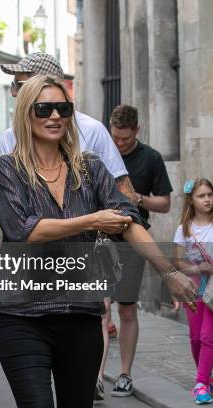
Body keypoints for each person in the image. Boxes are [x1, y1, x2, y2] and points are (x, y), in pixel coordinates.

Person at [0, 74, 196, 408]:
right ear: (26, 113)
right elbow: (25, 231)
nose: (55, 116)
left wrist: (169, 273)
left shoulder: (90, 168)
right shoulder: (7, 169)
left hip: (81, 314)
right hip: (23, 315)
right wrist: (93, 220)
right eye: (44, 108)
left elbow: (128, 222)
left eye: (63, 108)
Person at [0, 53, 138, 400]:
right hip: (24, 303)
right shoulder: (7, 141)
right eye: (16, 86)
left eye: (20, 83)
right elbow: (9, 220)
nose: (15, 91)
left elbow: (122, 197)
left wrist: (162, 269)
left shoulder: (91, 133)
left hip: (79, 299)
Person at [108, 104, 173, 397]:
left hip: (133, 240)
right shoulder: (101, 153)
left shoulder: (151, 158)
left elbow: (165, 204)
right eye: (116, 138)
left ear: (136, 130)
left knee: (127, 309)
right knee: (97, 307)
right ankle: (95, 376)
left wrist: (139, 199)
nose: (120, 144)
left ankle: (125, 373)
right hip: (100, 238)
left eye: (125, 139)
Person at [173, 178, 213, 405]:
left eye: (210, 194)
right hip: (194, 286)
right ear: (191, 200)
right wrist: (199, 267)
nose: (207, 199)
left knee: (209, 336)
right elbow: (178, 264)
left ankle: (200, 383)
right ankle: (206, 378)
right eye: (201, 195)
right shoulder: (184, 230)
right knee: (196, 337)